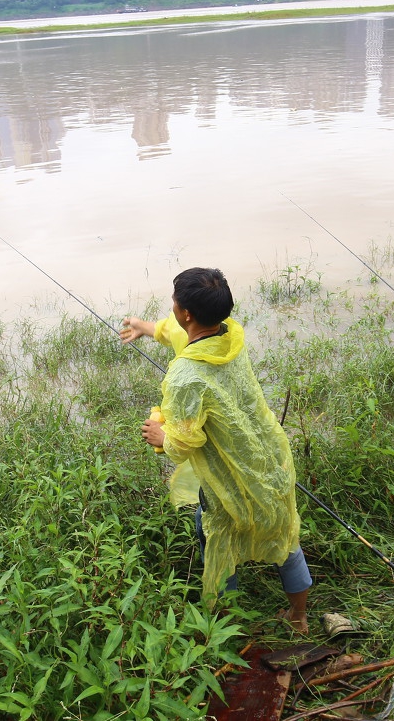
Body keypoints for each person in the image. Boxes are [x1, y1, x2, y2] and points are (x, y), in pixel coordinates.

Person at [121, 267, 312, 633]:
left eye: (174, 302)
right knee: (284, 535)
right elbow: (179, 332)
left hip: (228, 475)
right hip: (270, 459)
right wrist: (146, 327)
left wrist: (161, 436)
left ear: (186, 313)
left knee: (216, 538)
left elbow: (185, 442)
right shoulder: (230, 336)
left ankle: (227, 624)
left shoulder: (184, 377)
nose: (173, 307)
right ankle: (299, 618)